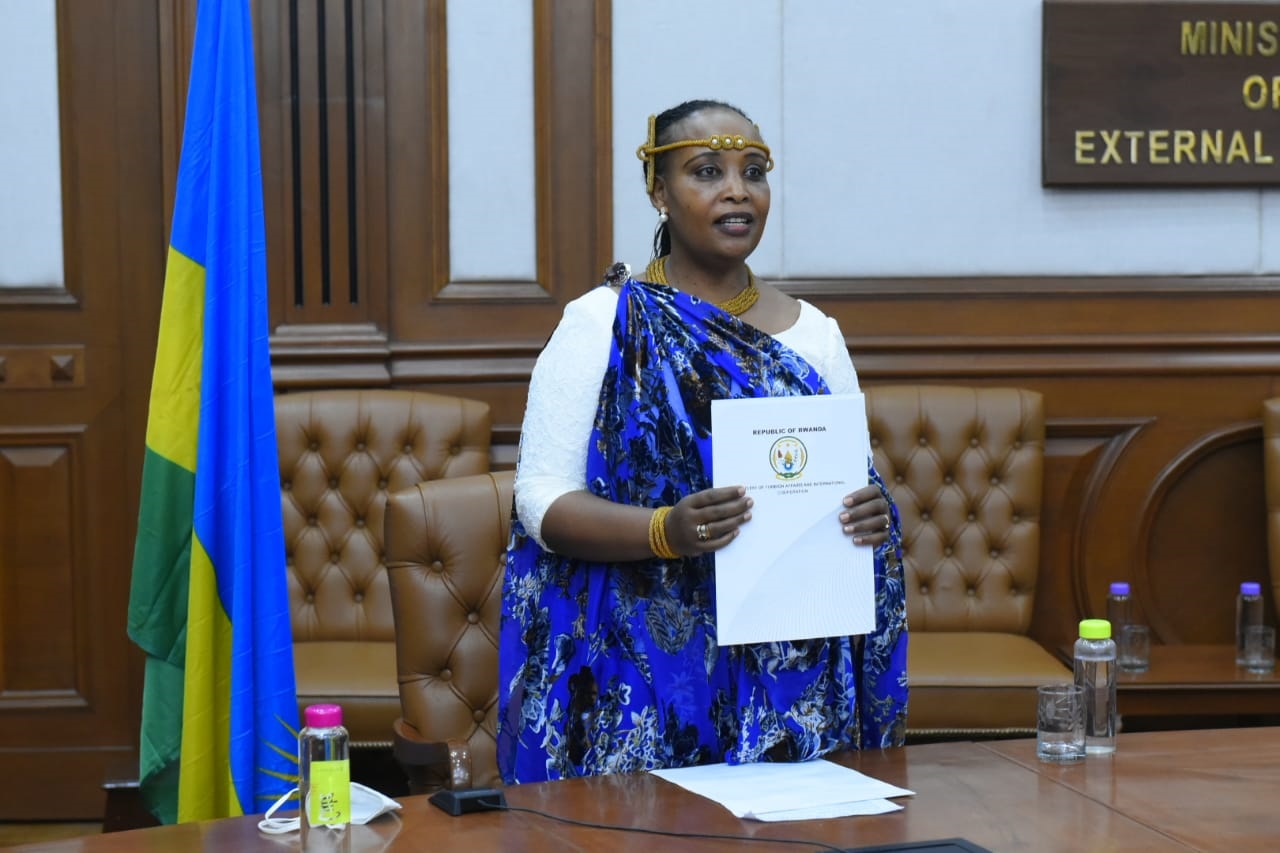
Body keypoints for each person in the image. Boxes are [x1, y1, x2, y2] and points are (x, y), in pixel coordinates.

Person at [496, 99, 907, 784]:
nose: (737, 190)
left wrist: (871, 513)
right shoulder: (602, 323)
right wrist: (664, 531)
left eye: (754, 172)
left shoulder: (815, 334)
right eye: (707, 171)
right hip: (638, 667)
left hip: (788, 668)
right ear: (659, 192)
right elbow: (539, 500)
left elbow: (850, 487)